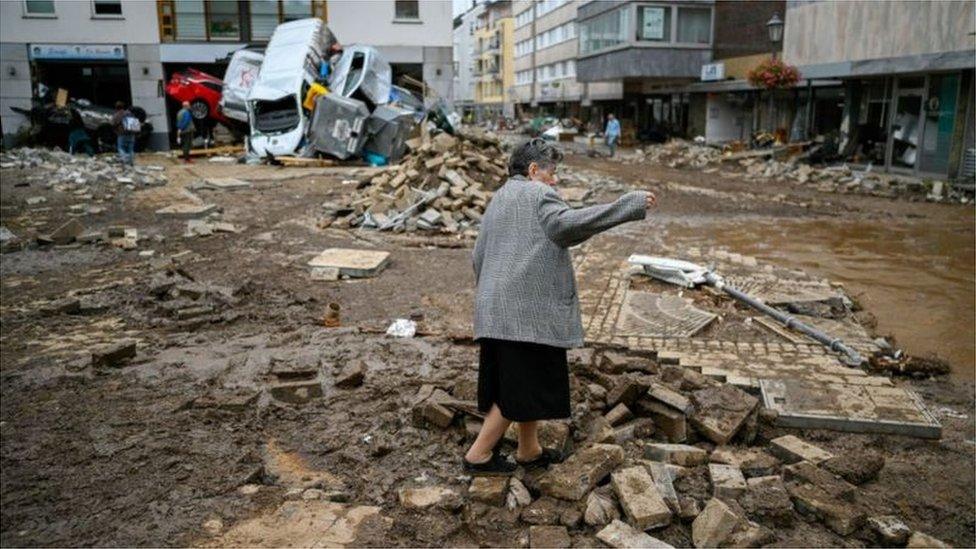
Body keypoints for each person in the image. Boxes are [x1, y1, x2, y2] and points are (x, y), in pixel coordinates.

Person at [463, 138, 657, 475]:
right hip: (525, 313)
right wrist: (627, 205)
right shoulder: (539, 194)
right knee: (518, 388)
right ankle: (478, 455)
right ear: (534, 170)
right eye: (553, 173)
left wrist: (494, 296)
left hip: (496, 310)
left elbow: (477, 256)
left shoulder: (500, 198)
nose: (556, 180)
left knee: (523, 382)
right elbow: (566, 226)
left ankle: (529, 450)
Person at [111, 101, 136, 165]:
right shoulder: (130, 113)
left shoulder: (116, 115)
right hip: (131, 134)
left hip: (122, 134)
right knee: (130, 148)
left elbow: (113, 124)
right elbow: (134, 122)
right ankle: (131, 162)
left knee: (121, 148)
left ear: (116, 108)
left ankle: (126, 161)